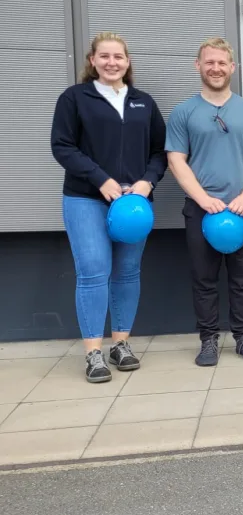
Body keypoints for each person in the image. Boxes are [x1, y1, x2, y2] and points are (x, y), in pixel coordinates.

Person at [50, 32, 167, 383]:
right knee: (93, 271)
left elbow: (161, 151)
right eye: (105, 56)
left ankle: (121, 344)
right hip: (86, 198)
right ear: (92, 60)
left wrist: (147, 181)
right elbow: (63, 146)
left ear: (128, 62)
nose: (112, 62)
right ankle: (93, 353)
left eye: (118, 57)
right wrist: (101, 179)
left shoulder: (143, 102)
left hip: (134, 204)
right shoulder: (75, 98)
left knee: (128, 271)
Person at [166, 38, 243, 367]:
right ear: (198, 65)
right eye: (209, 62)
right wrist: (202, 199)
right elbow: (176, 160)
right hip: (201, 210)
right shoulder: (184, 112)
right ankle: (208, 339)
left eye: (222, 63)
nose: (216, 68)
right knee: (204, 278)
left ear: (232, 68)